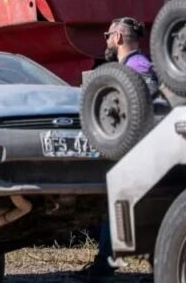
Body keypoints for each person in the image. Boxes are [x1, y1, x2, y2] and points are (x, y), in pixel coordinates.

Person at [77, 17, 157, 282]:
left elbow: (149, 110)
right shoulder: (135, 66)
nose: (107, 41)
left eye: (108, 35)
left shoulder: (137, 69)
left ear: (119, 38)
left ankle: (105, 268)